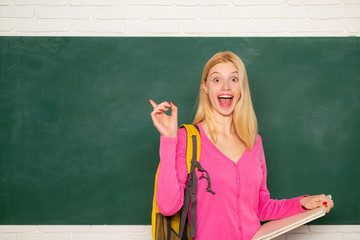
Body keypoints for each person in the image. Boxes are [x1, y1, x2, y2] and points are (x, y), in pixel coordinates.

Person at [149, 51, 334, 240]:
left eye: (234, 79)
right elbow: (168, 206)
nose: (226, 87)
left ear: (241, 88)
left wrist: (303, 203)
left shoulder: (254, 142)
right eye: (217, 80)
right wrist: (169, 138)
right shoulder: (188, 139)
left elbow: (261, 206)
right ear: (205, 87)